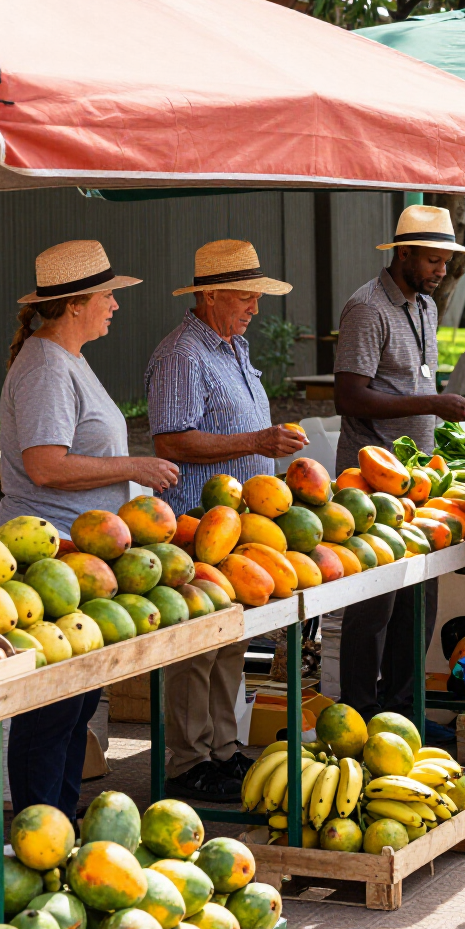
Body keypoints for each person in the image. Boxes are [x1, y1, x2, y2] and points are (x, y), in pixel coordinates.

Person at [0, 240, 180, 823]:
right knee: (50, 711)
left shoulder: (68, 358)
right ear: (76, 304)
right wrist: (134, 467)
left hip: (82, 556)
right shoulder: (47, 365)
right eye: (108, 295)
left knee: (74, 707)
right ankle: (37, 834)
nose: (115, 306)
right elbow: (46, 464)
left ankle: (60, 825)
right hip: (47, 558)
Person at [146, 240, 306, 800]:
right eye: (245, 297)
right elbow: (171, 438)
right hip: (194, 523)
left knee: (229, 641)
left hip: (237, 526)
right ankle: (190, 760)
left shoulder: (232, 347)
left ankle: (223, 749)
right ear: (210, 294)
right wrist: (258, 440)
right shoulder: (181, 355)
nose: (254, 309)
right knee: (197, 648)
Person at [333, 206, 465, 721]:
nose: (440, 270)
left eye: (445, 261)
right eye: (433, 260)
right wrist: (431, 404)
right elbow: (350, 397)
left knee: (419, 604)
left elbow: (416, 378)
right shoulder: (367, 308)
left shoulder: (425, 307)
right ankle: (360, 716)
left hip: (419, 483)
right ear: (404, 254)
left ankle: (404, 715)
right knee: (373, 607)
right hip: (369, 483)